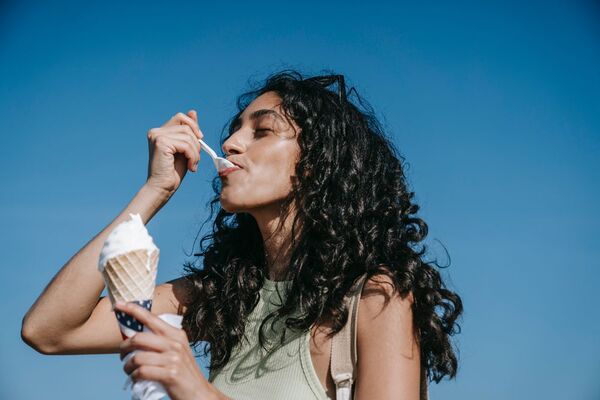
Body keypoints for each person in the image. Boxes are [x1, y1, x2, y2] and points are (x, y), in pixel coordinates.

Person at [21, 70, 463, 400]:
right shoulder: (221, 296)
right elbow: (51, 330)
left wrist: (199, 392)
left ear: (318, 163)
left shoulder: (375, 298)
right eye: (236, 129)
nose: (231, 142)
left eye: (263, 130)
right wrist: (154, 191)